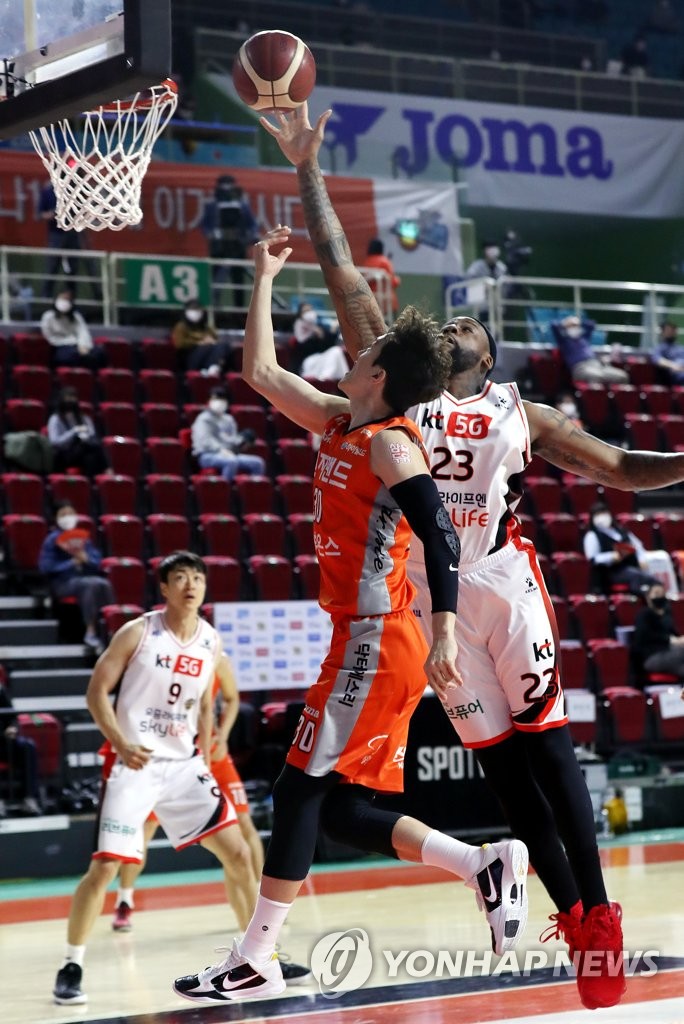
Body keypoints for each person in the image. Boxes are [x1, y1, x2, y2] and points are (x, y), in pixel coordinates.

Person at [258, 101, 684, 1010]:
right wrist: (306, 165)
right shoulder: (398, 392)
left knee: (550, 753)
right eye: (446, 328)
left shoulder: (517, 413)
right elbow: (337, 266)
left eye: (470, 332)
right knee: (502, 771)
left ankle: (600, 915)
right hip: (430, 594)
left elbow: (622, 469)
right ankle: (576, 925)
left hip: (498, 579)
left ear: (486, 365)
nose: (455, 328)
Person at [172, 227, 529, 1003]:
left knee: (298, 792)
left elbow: (437, 531)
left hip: (382, 638)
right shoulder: (340, 418)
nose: (352, 354)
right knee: (336, 808)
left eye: (364, 354)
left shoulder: (393, 446)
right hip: (363, 637)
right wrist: (263, 274)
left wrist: (441, 631)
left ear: (377, 375)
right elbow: (261, 371)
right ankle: (481, 863)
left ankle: (256, 956)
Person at [52, 551, 256, 1005]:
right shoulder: (139, 632)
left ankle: (257, 957)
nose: (191, 584)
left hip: (184, 765)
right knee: (105, 866)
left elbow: (205, 701)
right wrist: (120, 742)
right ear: (164, 588)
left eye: (198, 577)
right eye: (181, 577)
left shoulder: (209, 641)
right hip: (136, 762)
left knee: (240, 853)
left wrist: (205, 746)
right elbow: (96, 692)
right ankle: (71, 963)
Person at [109, 651, 310, 984]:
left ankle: (258, 938)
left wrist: (221, 734)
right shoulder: (156, 656)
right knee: (140, 837)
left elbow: (228, 700)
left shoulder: (213, 652)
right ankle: (125, 899)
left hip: (211, 754)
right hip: (169, 758)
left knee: (242, 840)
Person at [38, 501, 114, 655]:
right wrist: (71, 562)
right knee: (90, 585)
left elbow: (97, 562)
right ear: (56, 518)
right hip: (62, 584)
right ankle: (90, 631)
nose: (68, 517)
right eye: (63, 514)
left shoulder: (84, 539)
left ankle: (111, 628)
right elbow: (46, 567)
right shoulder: (52, 540)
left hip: (86, 578)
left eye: (70, 514)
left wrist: (86, 559)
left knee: (104, 583)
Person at [583, 501, 675, 596]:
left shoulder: (621, 531)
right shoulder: (592, 535)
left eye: (604, 513)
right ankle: (641, 601)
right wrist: (612, 556)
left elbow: (637, 545)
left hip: (630, 566)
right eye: (598, 514)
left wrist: (641, 559)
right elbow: (593, 558)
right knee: (636, 577)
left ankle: (659, 602)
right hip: (611, 571)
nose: (602, 517)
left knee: (653, 580)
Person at [202, 175, 259, 309]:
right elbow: (204, 224)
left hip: (237, 246)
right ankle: (214, 306)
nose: (226, 187)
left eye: (229, 184)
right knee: (216, 279)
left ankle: (239, 308)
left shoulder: (242, 205)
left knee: (238, 279)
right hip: (219, 247)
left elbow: (252, 224)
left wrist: (250, 235)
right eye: (224, 184)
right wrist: (212, 233)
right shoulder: (212, 205)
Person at [191, 386, 266, 480]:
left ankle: (255, 493)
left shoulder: (229, 419)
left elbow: (232, 440)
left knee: (258, 463)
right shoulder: (203, 419)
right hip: (207, 455)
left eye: (221, 399)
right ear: (209, 400)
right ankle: (225, 491)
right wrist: (221, 450)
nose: (219, 402)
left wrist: (241, 441)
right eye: (215, 399)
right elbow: (205, 441)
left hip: (229, 454)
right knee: (231, 462)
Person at [0, 674, 42, 816]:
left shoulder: (0, 690)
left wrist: (12, 728)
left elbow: (12, 717)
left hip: (5, 740)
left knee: (28, 747)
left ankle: (29, 799)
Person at [551, 314, 628, 385]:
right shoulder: (564, 341)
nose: (574, 328)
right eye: (571, 326)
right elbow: (553, 325)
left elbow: (591, 324)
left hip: (597, 365)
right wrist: (565, 323)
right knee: (597, 376)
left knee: (623, 376)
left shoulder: (584, 338)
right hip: (580, 368)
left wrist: (578, 321)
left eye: (575, 326)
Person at [47, 388, 108, 477]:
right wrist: (73, 432)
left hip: (81, 450)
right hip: (64, 453)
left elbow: (92, 434)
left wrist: (85, 434)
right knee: (95, 448)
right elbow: (55, 441)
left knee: (91, 457)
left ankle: (90, 484)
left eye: (73, 398)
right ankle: (108, 468)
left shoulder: (83, 418)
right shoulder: (55, 419)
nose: (71, 401)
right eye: (68, 398)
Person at [631, 582, 684, 683]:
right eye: (656, 593)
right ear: (648, 597)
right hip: (651, 657)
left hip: (670, 654)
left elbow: (674, 634)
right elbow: (644, 636)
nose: (659, 596)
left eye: (661, 593)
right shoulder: (644, 614)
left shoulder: (667, 614)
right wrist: (671, 640)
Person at [40, 290, 104, 369]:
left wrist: (83, 346)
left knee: (99, 352)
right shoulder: (48, 316)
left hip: (79, 345)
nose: (64, 302)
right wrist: (71, 343)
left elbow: (83, 332)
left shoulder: (76, 316)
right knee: (71, 356)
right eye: (62, 299)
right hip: (60, 346)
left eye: (67, 299)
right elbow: (49, 337)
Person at [171, 300, 232, 375]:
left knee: (224, 345)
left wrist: (211, 341)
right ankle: (209, 368)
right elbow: (179, 344)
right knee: (207, 346)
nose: (195, 312)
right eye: (192, 309)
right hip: (189, 358)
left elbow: (215, 339)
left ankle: (212, 368)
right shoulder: (181, 327)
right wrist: (199, 343)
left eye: (197, 310)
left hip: (207, 355)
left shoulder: (206, 327)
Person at [364, 238, 401, 320]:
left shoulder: (367, 261)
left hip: (372, 301)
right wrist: (397, 280)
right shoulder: (385, 262)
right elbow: (393, 282)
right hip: (387, 302)